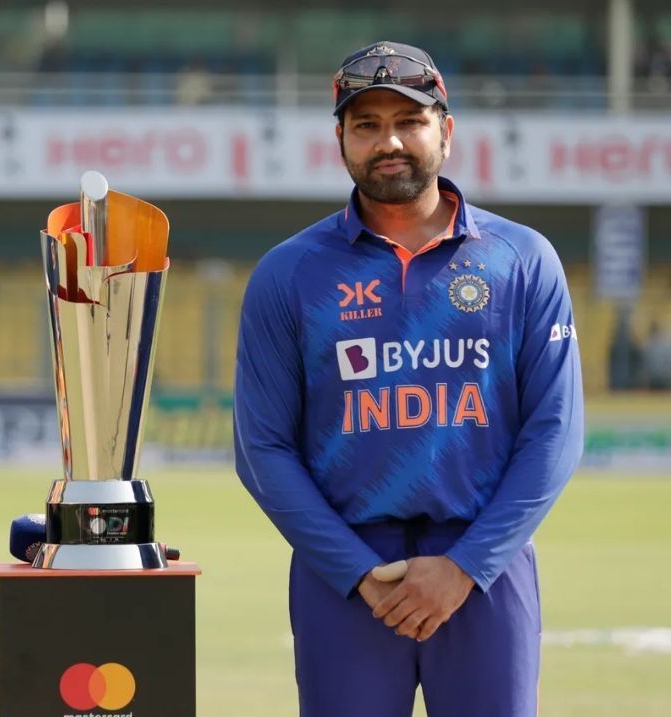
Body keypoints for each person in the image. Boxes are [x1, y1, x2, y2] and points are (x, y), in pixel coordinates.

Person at [234, 41, 583, 716]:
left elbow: (555, 432)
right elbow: (263, 450)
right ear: (340, 139)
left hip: (484, 570)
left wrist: (465, 567)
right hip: (348, 576)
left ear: (445, 132)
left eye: (409, 120)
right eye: (365, 124)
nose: (388, 139)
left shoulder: (523, 259)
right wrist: (358, 572)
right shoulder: (289, 274)